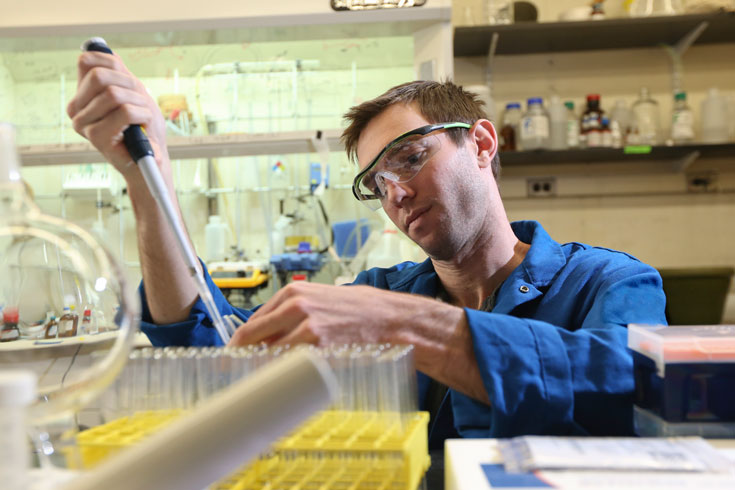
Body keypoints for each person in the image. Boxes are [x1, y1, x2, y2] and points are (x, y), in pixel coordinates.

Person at [67, 51, 667, 446]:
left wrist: (407, 327)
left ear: (481, 144)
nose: (396, 192)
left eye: (409, 157)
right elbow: (211, 349)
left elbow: (641, 393)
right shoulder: (383, 293)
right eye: (376, 183)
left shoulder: (608, 283)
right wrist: (150, 179)